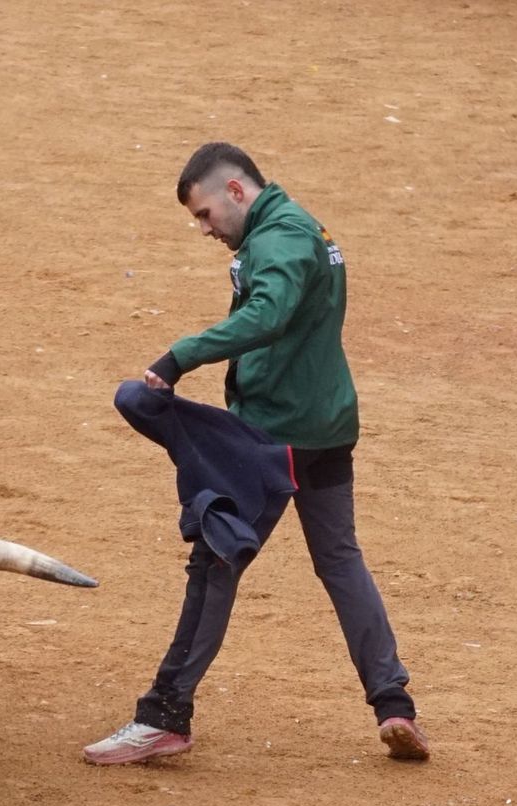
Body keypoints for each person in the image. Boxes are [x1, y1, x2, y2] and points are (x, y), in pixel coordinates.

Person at [83, 142, 429, 766]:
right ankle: (393, 705)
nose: (204, 230)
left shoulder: (282, 239)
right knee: (341, 563)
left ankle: (164, 715)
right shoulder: (296, 230)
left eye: (205, 214)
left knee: (214, 565)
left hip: (277, 437)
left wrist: (179, 356)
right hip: (323, 427)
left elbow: (269, 313)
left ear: (236, 191)